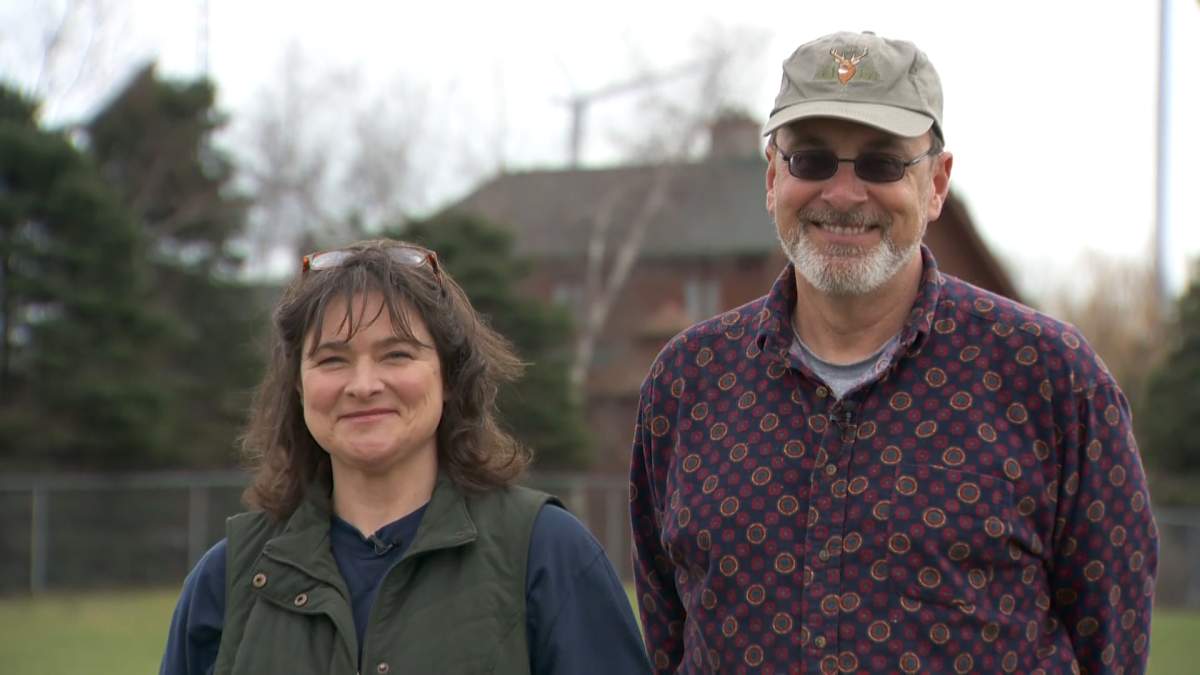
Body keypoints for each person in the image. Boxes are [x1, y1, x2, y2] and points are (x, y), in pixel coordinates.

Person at [630, 31, 1158, 674]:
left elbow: (1114, 645)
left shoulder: (1051, 380)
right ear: (773, 177)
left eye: (882, 164)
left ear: (936, 183)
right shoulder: (688, 383)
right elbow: (667, 637)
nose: (844, 194)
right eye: (812, 161)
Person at [161, 239, 651, 675]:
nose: (364, 385)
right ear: (299, 384)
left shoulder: (545, 553)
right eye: (332, 360)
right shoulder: (228, 579)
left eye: (396, 354)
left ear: (449, 374)